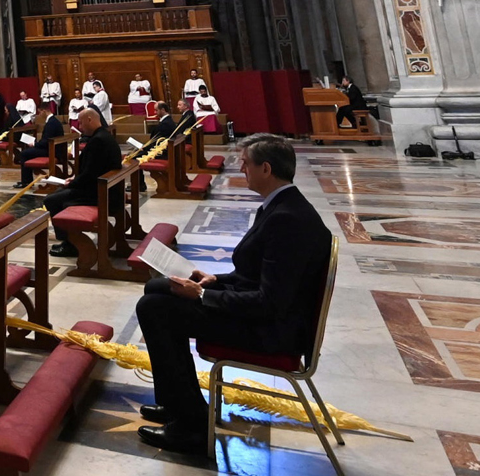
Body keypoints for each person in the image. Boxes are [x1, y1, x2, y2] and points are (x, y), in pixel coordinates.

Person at [134, 136, 332, 457]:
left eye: (246, 163)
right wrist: (214, 280)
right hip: (266, 314)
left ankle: (191, 428)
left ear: (265, 169)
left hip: (271, 331)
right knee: (157, 289)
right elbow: (255, 276)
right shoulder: (281, 207)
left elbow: (269, 303)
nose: (240, 168)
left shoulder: (288, 220)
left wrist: (201, 295)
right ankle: (179, 404)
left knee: (155, 308)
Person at [43, 106, 121, 256]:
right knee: (60, 194)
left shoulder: (98, 141)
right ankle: (69, 241)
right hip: (104, 188)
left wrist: (72, 183)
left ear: (90, 120)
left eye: (81, 122)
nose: (80, 127)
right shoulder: (104, 136)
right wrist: (74, 179)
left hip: (100, 193)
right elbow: (94, 170)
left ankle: (70, 244)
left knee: (52, 200)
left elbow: (90, 176)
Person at [21, 105, 67, 186]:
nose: (39, 114)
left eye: (40, 112)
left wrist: (34, 144)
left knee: (24, 153)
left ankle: (26, 182)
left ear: (44, 111)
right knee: (28, 152)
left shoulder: (51, 123)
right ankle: (27, 181)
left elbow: (46, 142)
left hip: (52, 151)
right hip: (53, 148)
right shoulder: (53, 121)